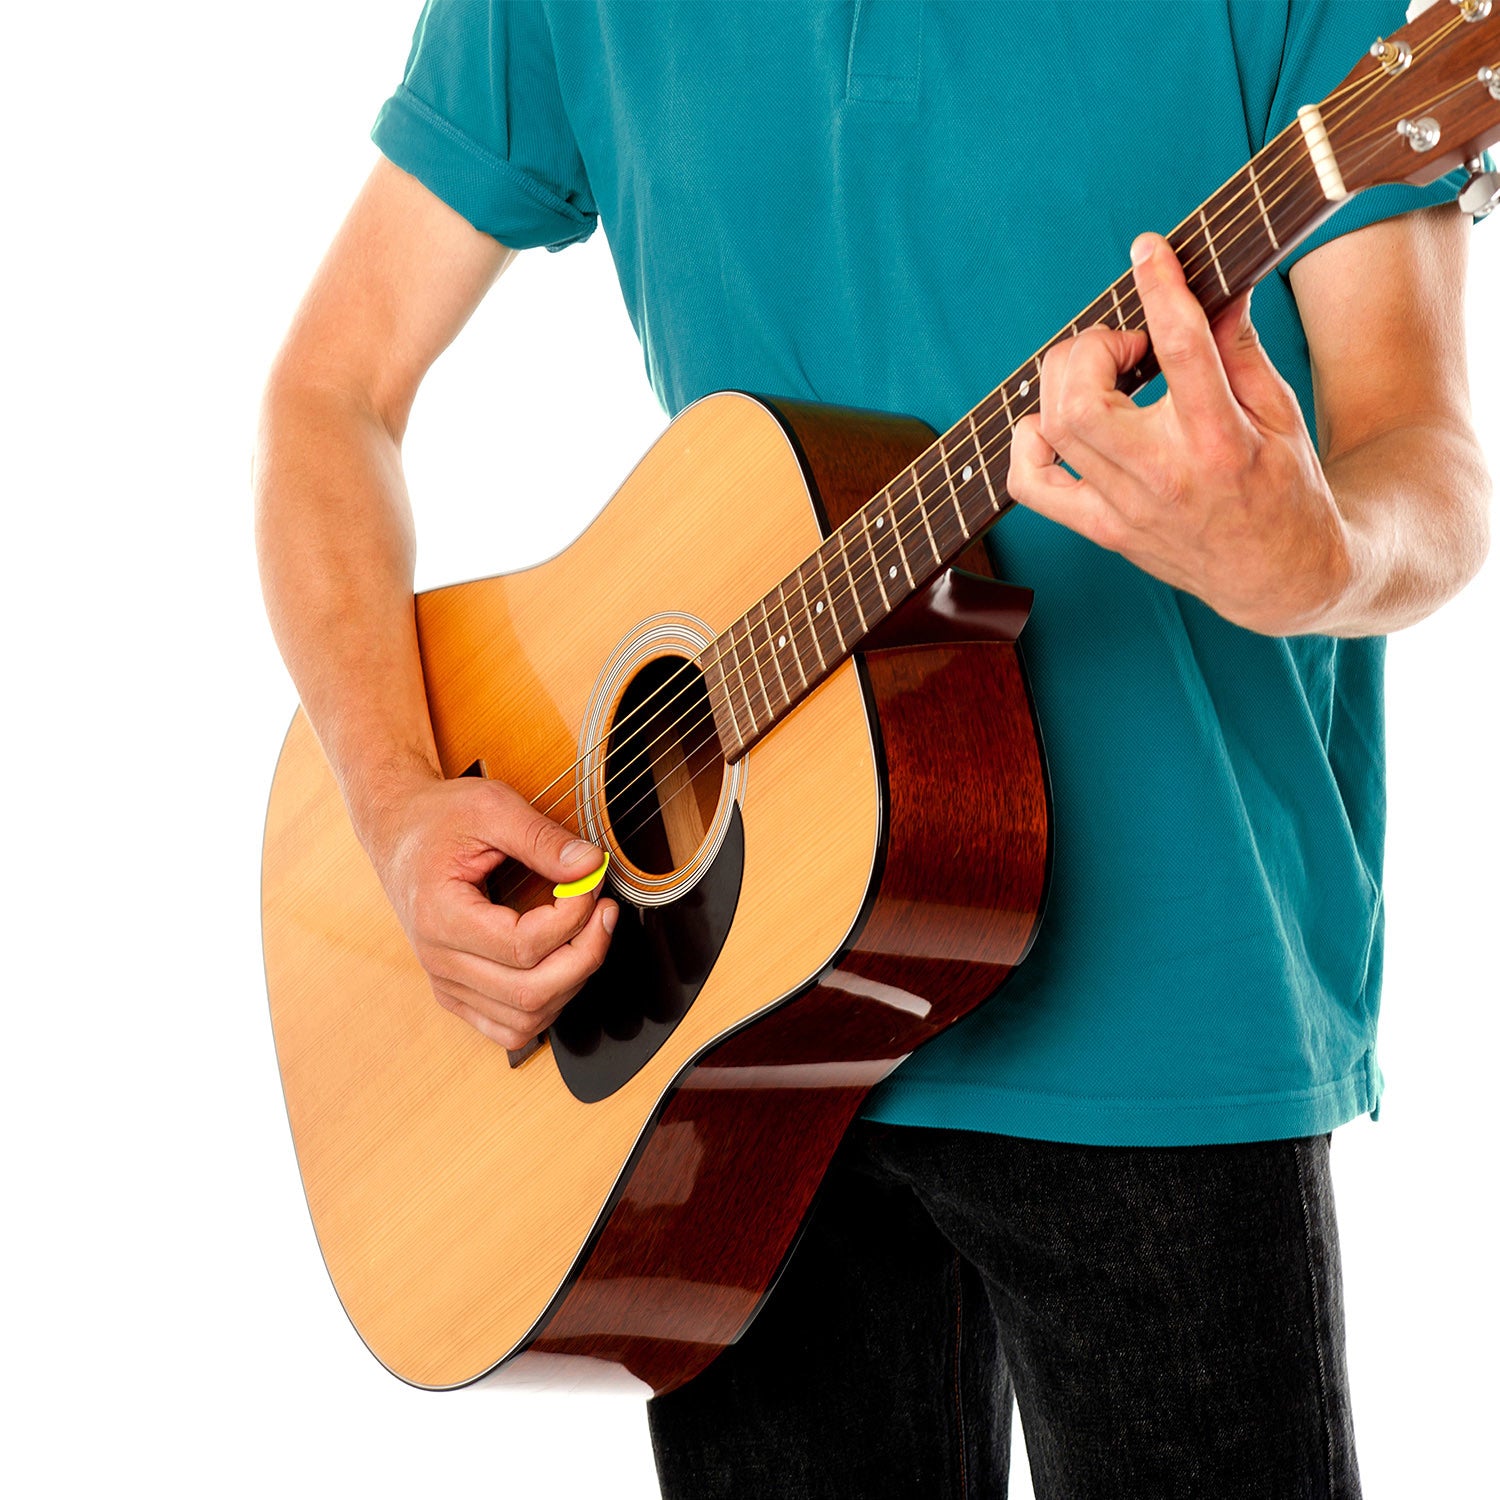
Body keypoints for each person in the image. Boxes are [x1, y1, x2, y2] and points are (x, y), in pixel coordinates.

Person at [254, 2, 1491, 1495]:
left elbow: (1426, 461)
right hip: (727, 1052)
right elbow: (331, 391)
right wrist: (394, 799)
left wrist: (1316, 560)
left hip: (1168, 1007)